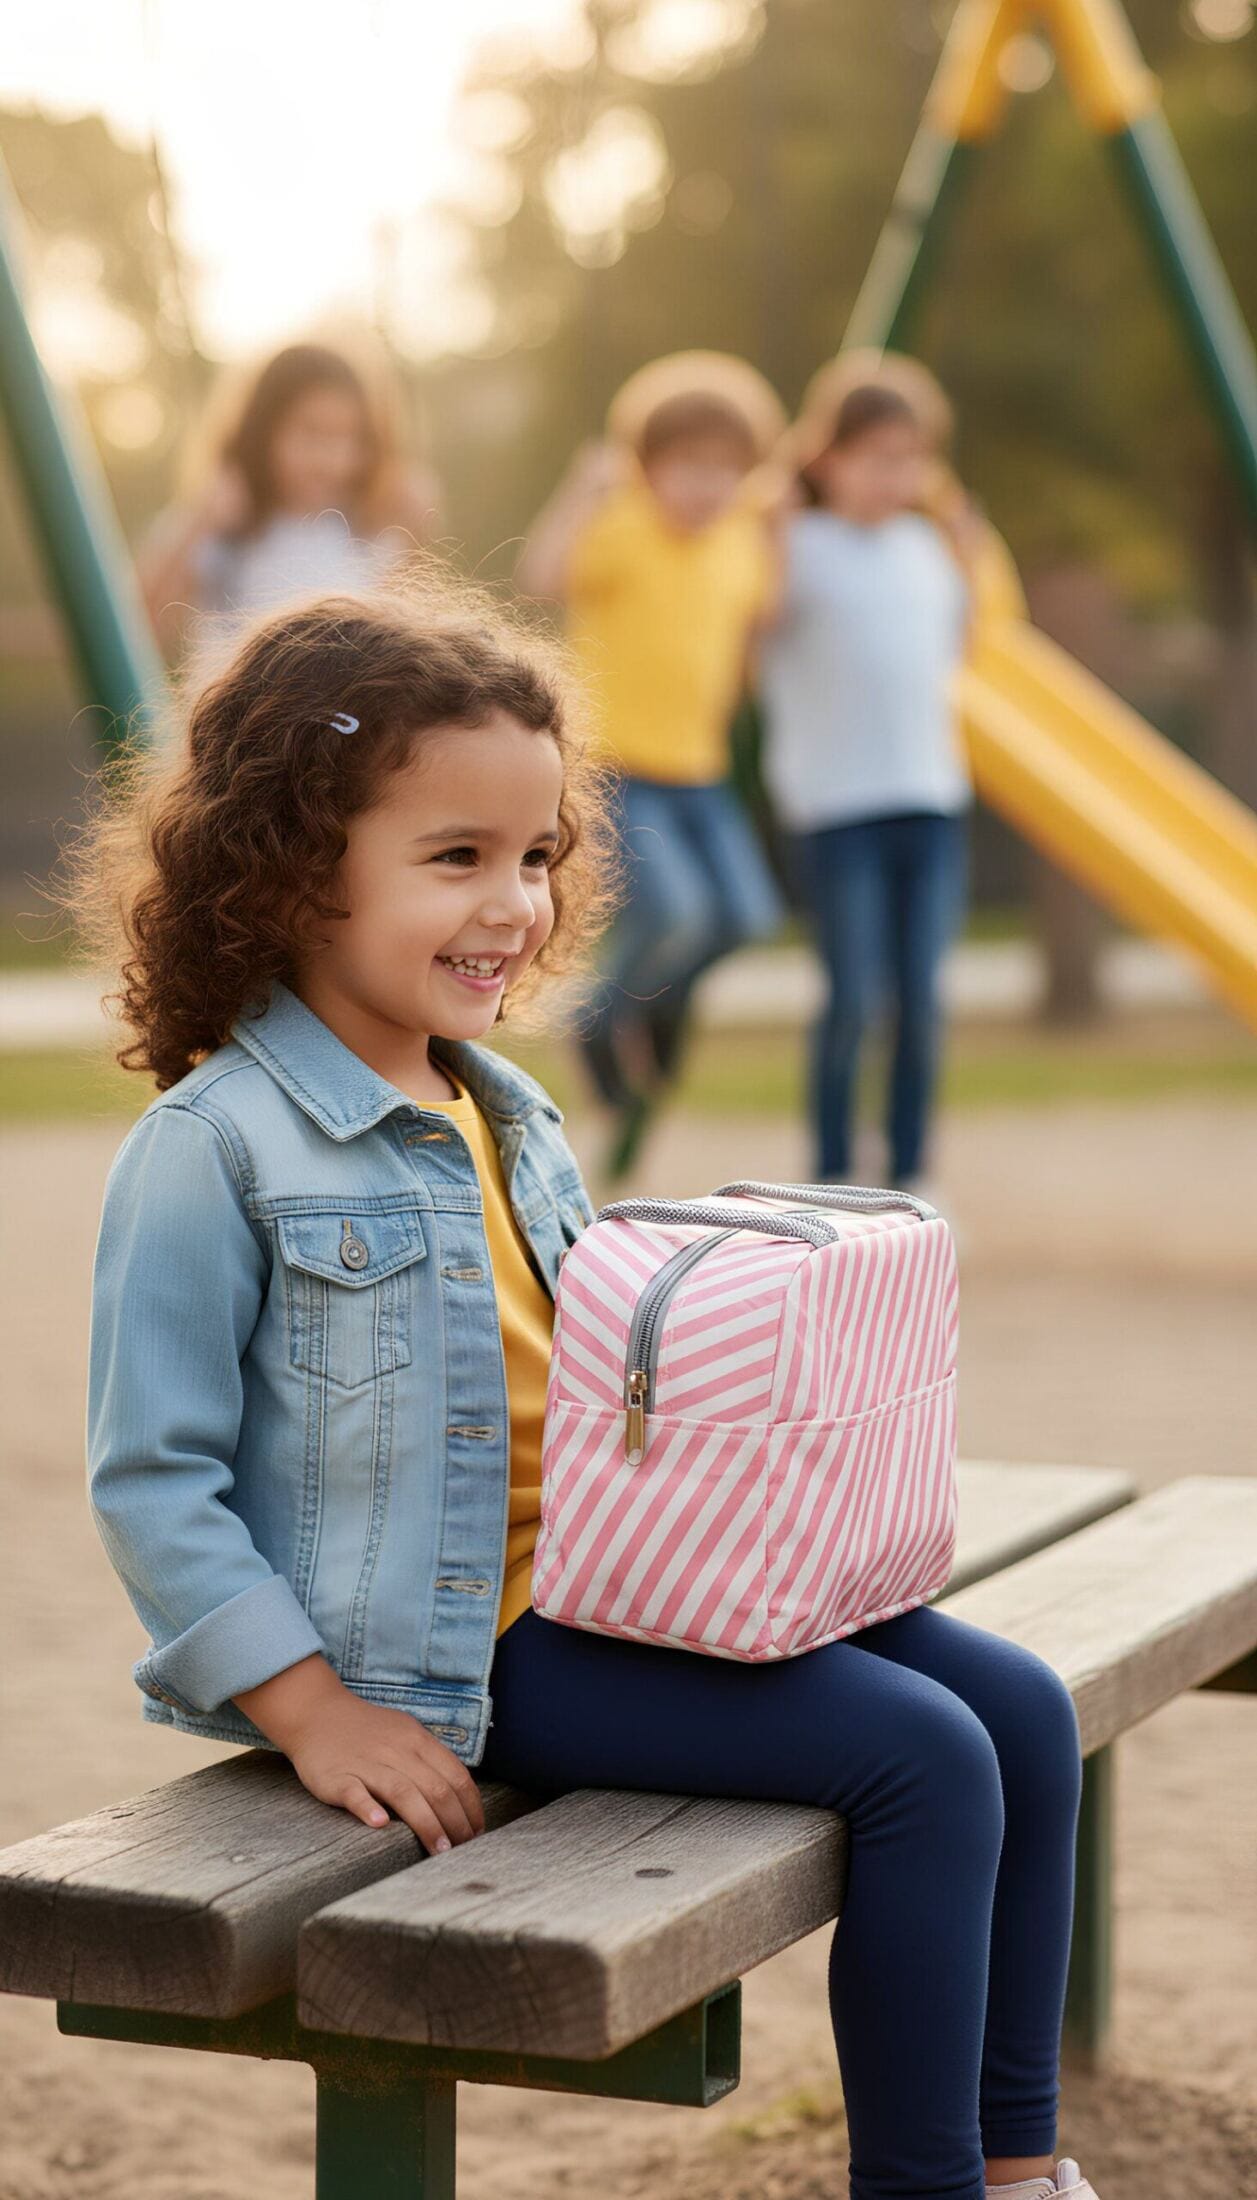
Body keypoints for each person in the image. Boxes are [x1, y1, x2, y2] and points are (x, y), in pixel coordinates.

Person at [73, 573, 1098, 2200]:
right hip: (474, 1647)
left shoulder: (506, 1104)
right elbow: (155, 1479)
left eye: (536, 857)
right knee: (925, 1761)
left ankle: (1023, 2161)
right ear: (287, 871)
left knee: (1025, 1714)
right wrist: (308, 1706)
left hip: (630, 1580)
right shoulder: (214, 1150)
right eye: (456, 858)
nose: (516, 906)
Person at [517, 352, 787, 1180]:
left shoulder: (742, 540)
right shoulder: (622, 526)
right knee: (674, 912)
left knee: (745, 915)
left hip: (702, 773)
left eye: (724, 471)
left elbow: (760, 620)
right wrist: (581, 490)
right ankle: (597, 1020)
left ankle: (625, 1012)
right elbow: (541, 574)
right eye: (687, 469)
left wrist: (780, 521)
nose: (706, 487)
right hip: (620, 768)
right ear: (647, 469)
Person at [758, 362, 973, 1197]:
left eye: (912, 458)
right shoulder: (795, 545)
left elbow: (963, 645)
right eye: (878, 455)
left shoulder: (925, 549)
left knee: (920, 1002)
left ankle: (912, 1171)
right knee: (853, 999)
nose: (897, 475)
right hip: (833, 807)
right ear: (829, 457)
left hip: (929, 799)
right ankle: (833, 1175)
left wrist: (967, 540)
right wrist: (773, 529)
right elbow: (756, 631)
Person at [138, 339, 441, 671]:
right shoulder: (224, 531)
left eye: (351, 438)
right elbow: (140, 631)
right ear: (262, 433)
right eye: (312, 434)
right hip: (244, 717)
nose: (333, 461)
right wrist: (198, 525)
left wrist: (413, 532)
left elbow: (398, 648)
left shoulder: (368, 531)